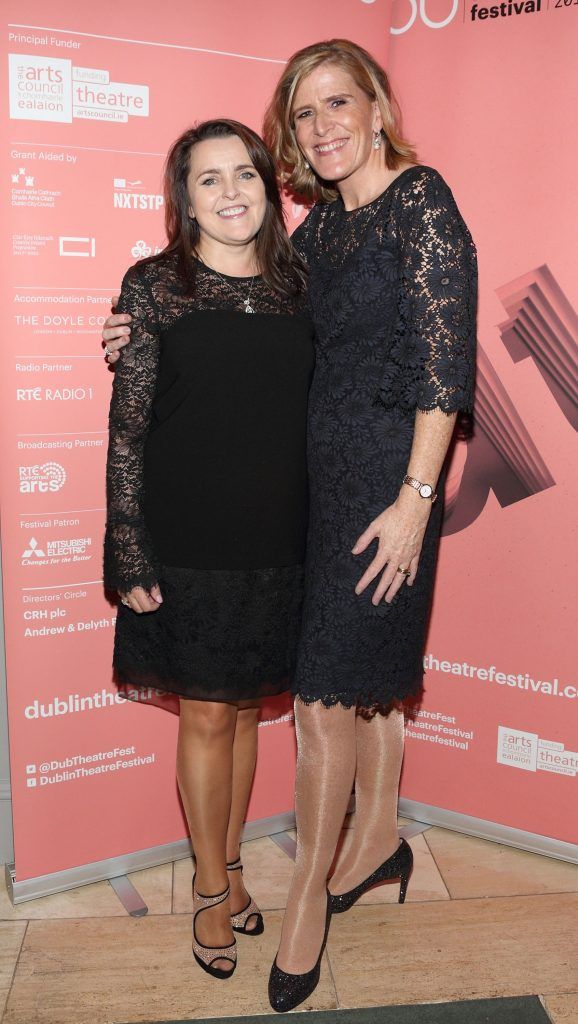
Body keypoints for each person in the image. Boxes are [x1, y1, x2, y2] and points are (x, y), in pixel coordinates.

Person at [103, 39, 477, 1012]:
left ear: (376, 102)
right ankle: (375, 841)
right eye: (303, 113)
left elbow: (446, 366)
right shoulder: (315, 233)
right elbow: (238, 304)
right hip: (307, 492)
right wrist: (140, 326)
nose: (321, 126)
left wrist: (415, 501)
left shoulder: (420, 201)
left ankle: (309, 890)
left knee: (320, 698)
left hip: (386, 493)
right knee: (355, 691)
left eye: (337, 102)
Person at [103, 118, 313, 981]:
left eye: (247, 177)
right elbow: (128, 432)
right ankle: (204, 886)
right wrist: (128, 546)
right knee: (204, 714)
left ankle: (229, 865)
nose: (232, 193)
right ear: (183, 199)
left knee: (249, 705)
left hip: (282, 534)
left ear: (269, 188)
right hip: (186, 536)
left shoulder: (303, 284)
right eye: (209, 180)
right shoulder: (156, 287)